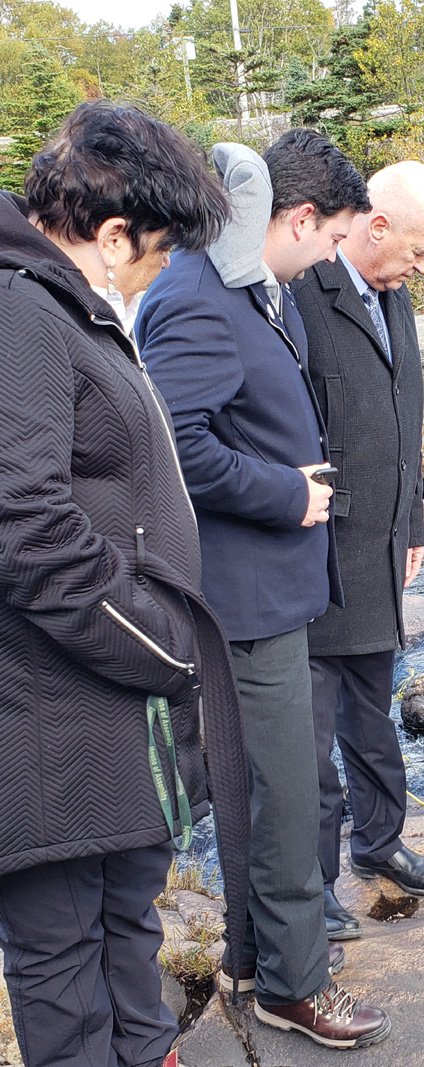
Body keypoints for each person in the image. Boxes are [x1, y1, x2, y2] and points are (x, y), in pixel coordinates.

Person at [0, 101, 251, 1067]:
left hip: (109, 721)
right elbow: (21, 526)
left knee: (127, 933)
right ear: (113, 236)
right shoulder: (21, 309)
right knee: (63, 973)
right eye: (156, 255)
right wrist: (160, 641)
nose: (159, 276)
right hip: (51, 731)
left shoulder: (57, 305)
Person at [137, 131, 391, 1049]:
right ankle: (293, 985)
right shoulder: (201, 297)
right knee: (284, 794)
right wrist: (289, 492)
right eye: (330, 241)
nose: (332, 259)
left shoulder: (240, 283)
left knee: (275, 787)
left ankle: (258, 959)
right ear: (299, 217)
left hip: (267, 596)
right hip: (238, 607)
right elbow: (174, 445)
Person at [292, 161, 424, 939]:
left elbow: (403, 413)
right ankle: (312, 885)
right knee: (311, 739)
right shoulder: (301, 288)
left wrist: (414, 521)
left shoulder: (395, 292)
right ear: (375, 225)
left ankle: (379, 844)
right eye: (418, 252)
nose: (422, 269)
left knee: (374, 715)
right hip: (317, 554)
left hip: (385, 546)